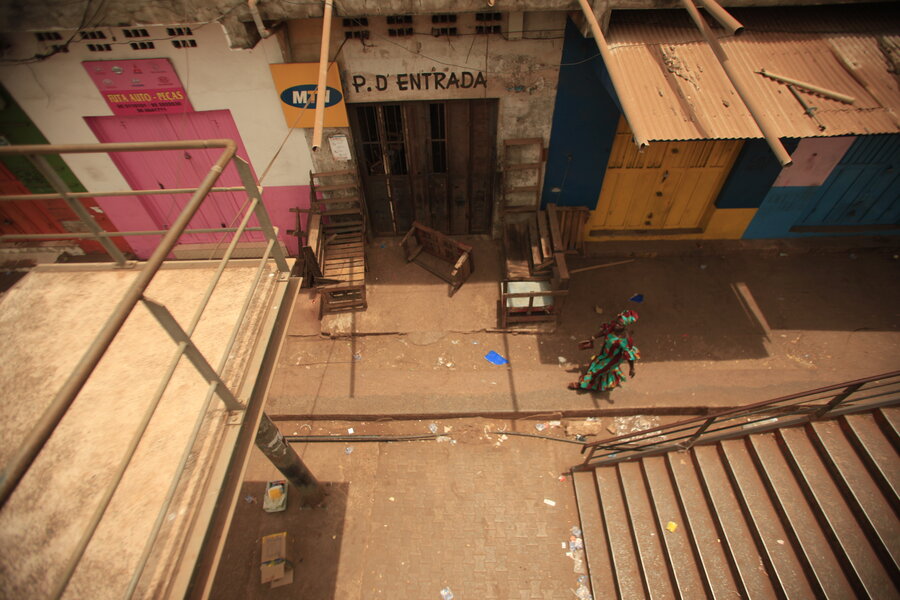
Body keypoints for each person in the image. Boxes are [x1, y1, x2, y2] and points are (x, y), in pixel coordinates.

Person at [569, 310, 640, 392]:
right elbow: (604, 331)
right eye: (617, 322)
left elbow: (629, 356)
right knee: (596, 364)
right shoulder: (612, 327)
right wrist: (592, 338)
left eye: (620, 324)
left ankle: (582, 385)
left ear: (624, 326)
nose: (616, 325)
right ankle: (602, 381)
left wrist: (632, 369)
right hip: (604, 353)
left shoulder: (625, 339)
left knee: (597, 371)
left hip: (613, 359)